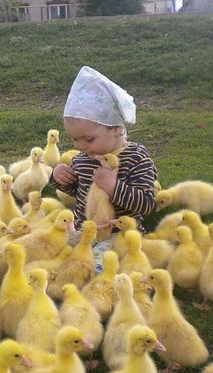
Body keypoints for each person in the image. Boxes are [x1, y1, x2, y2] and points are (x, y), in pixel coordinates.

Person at [51, 66, 157, 268]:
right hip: (84, 231)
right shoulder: (83, 158)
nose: (80, 146)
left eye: (88, 139)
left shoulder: (136, 157)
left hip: (119, 235)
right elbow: (79, 192)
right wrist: (59, 177)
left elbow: (146, 203)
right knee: (48, 248)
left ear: (116, 129)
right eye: (74, 139)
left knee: (97, 267)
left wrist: (113, 187)